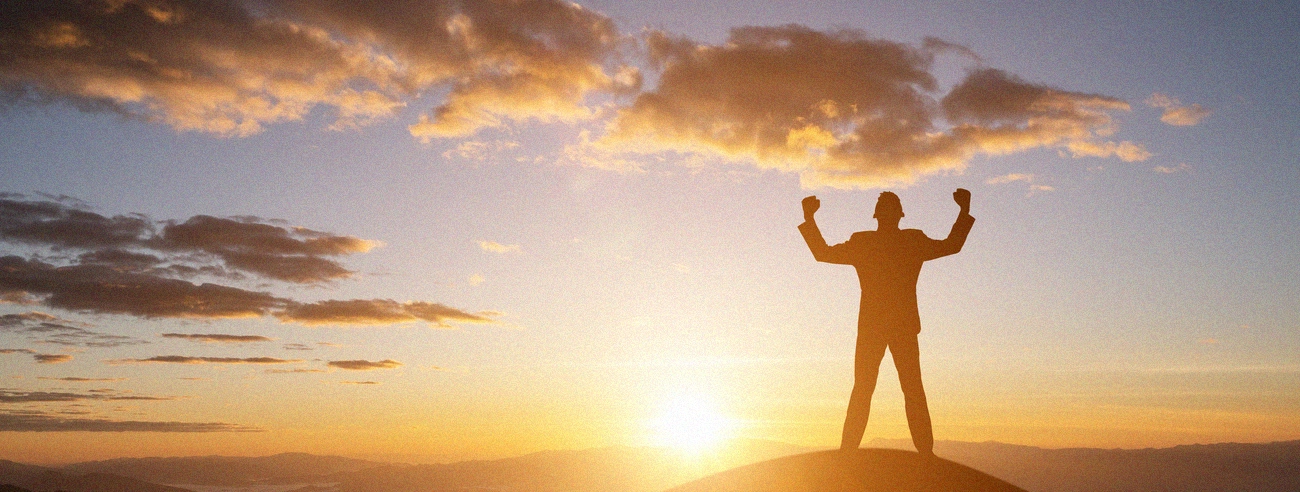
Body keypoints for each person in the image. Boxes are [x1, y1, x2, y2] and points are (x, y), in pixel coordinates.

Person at [798, 189, 974, 455]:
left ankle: (908, 452)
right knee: (885, 389)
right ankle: (857, 450)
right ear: (888, 214)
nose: (889, 212)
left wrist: (810, 218)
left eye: (889, 207)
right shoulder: (894, 242)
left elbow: (952, 245)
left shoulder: (886, 242)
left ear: (881, 214)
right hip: (885, 328)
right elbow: (952, 245)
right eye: (887, 207)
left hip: (885, 328)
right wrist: (809, 219)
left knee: (891, 389)